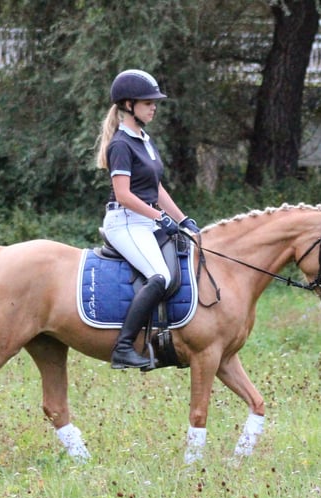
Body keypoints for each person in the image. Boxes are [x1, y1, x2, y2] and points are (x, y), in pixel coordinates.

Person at [95, 69, 201, 369]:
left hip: (145, 221)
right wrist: (161, 218)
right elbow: (124, 194)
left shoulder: (144, 140)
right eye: (147, 102)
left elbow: (156, 188)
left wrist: (183, 220)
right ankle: (124, 347)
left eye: (154, 102)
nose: (154, 107)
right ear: (129, 105)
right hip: (125, 221)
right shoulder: (121, 144)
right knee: (160, 276)